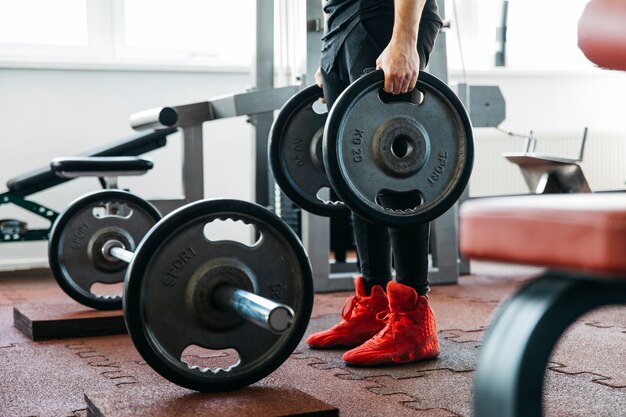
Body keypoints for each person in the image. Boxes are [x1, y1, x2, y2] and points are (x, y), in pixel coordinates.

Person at [306, 0, 444, 367]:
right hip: (344, 22)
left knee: (396, 162)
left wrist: (404, 39)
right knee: (357, 170)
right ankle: (375, 304)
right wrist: (330, 53)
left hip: (385, 15)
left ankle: (414, 318)